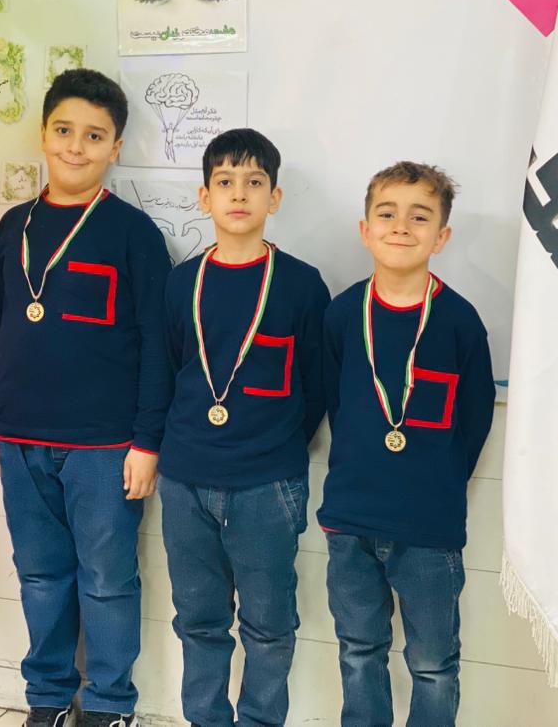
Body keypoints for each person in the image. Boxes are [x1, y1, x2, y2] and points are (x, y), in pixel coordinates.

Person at [0, 68, 171, 727]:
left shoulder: (133, 234)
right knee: (40, 575)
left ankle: (109, 704)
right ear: (43, 135)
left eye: (94, 136)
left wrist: (147, 441)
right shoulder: (13, 225)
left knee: (107, 579)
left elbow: (158, 346)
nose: (76, 147)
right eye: (63, 130)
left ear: (116, 147)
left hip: (104, 446)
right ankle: (48, 698)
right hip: (17, 436)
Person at [159, 128, 330, 726]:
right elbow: (169, 371)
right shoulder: (181, 282)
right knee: (198, 620)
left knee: (269, 625)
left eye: (254, 182)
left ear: (274, 198)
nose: (239, 194)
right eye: (225, 182)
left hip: (267, 483)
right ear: (203, 197)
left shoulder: (302, 284)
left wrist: (277, 443)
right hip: (185, 479)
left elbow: (316, 385)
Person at [319, 162, 495, 727]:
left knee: (433, 664)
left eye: (420, 217)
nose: (401, 226)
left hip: (428, 527)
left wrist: (437, 483)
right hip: (351, 519)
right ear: (365, 230)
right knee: (358, 650)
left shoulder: (460, 322)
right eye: (387, 214)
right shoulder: (342, 314)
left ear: (441, 236)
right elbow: (334, 402)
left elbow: (474, 422)